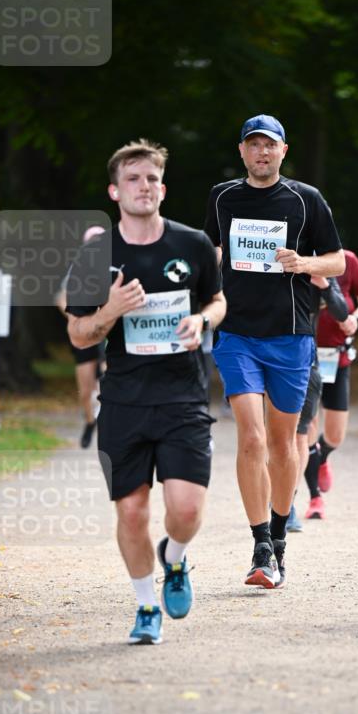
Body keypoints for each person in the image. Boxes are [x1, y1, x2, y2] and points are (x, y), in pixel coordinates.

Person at [66, 139, 226, 644]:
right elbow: (77, 334)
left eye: (152, 178)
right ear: (115, 191)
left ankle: (174, 560)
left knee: (185, 511)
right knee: (132, 511)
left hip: (182, 398)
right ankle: (144, 606)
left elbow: (218, 300)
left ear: (163, 187)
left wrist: (203, 320)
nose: (144, 186)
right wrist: (111, 310)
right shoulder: (97, 256)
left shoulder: (193, 244)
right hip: (124, 401)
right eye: (133, 179)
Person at [204, 114, 344, 588]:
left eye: (270, 145)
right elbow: (212, 253)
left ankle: (280, 538)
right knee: (251, 438)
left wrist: (303, 263)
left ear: (284, 151)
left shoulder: (306, 200)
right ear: (241, 151)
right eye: (253, 145)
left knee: (284, 444)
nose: (261, 152)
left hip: (291, 334)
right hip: (237, 333)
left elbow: (338, 260)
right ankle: (260, 543)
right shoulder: (222, 197)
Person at [304, 249, 358, 519]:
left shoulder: (347, 260)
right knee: (307, 427)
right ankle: (314, 498)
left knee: (334, 435)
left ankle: (321, 457)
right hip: (303, 356)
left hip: (337, 357)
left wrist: (356, 319)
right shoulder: (294, 259)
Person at [287, 273, 348, 531]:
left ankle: (285, 502)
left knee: (302, 434)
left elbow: (342, 311)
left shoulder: (323, 261)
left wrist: (322, 282)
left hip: (306, 358)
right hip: (262, 352)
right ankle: (288, 503)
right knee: (272, 435)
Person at [56, 225, 107, 448]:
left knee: (107, 378)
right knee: (85, 389)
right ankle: (89, 422)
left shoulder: (115, 265)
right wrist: (73, 317)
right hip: (85, 333)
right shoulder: (78, 268)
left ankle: (110, 426)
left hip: (107, 333)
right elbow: (61, 296)